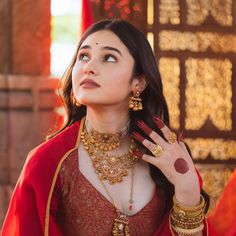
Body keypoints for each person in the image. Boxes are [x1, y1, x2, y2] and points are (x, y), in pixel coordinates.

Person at [1, 19, 216, 236]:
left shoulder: (167, 158)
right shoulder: (47, 162)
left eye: (109, 58)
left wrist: (187, 192)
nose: (89, 67)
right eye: (83, 56)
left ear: (138, 82)